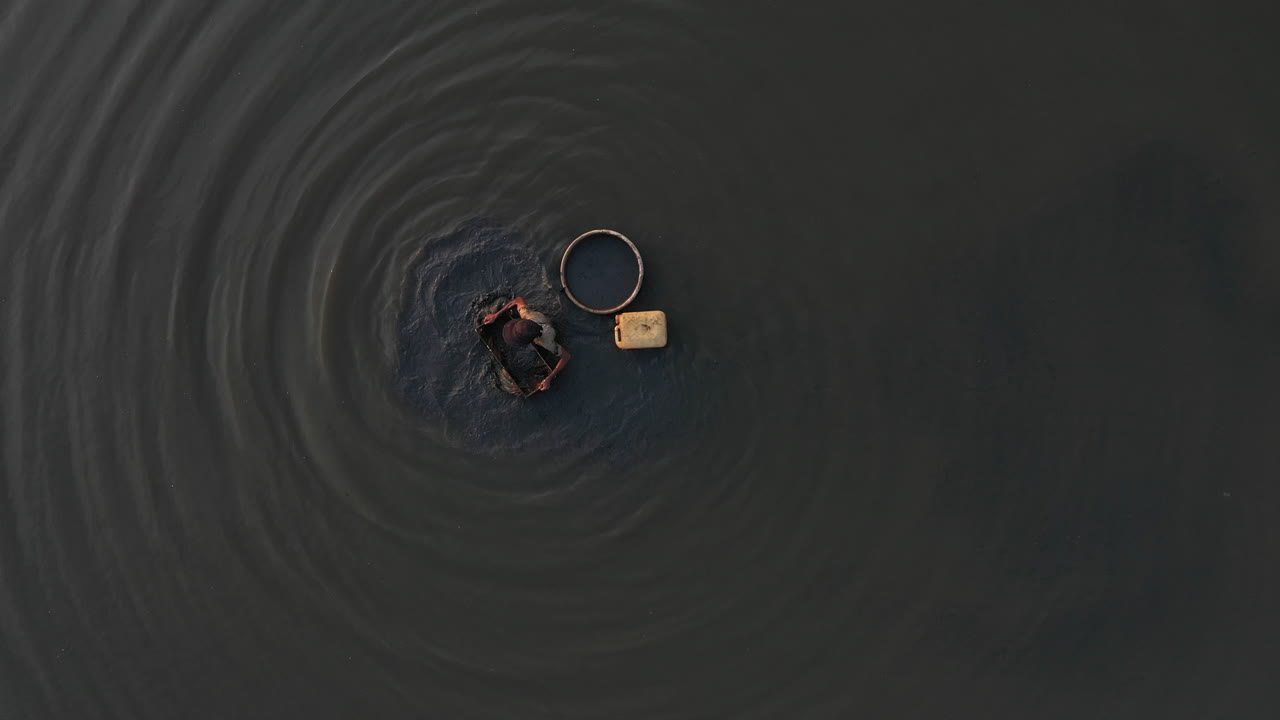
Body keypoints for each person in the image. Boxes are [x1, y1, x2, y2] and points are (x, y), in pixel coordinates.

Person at [481, 297, 571, 392]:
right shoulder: (527, 315)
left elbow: (566, 356)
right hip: (539, 320)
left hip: (548, 331)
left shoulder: (546, 342)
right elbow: (518, 300)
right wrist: (496, 315)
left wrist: (550, 377)